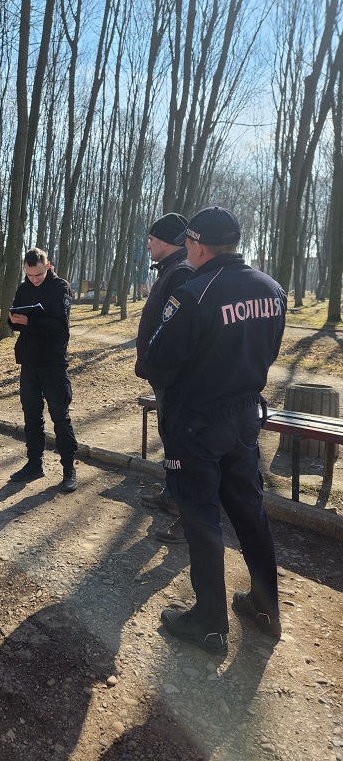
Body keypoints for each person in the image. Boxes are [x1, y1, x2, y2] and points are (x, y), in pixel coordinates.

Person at [144, 206, 286, 655]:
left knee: (201, 518)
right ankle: (265, 607)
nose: (187, 251)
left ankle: (208, 621)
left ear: (199, 245)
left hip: (198, 424)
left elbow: (158, 364)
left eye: (188, 244)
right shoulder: (272, 289)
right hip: (245, 418)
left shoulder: (193, 294)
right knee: (249, 511)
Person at [135, 213, 193, 544]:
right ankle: (171, 495)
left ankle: (185, 511)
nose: (148, 244)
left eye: (153, 239)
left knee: (178, 442)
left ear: (169, 242)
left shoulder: (181, 271)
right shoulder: (170, 270)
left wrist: (161, 367)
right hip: (162, 374)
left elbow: (176, 329)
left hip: (172, 377)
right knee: (169, 438)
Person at [8, 248, 78, 492]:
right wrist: (13, 319)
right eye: (30, 275)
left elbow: (61, 326)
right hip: (29, 361)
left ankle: (69, 468)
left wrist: (31, 322)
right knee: (32, 416)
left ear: (47, 266)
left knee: (60, 415)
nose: (34, 279)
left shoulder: (61, 288)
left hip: (53, 362)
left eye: (38, 274)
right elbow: (14, 315)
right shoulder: (23, 287)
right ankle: (34, 464)